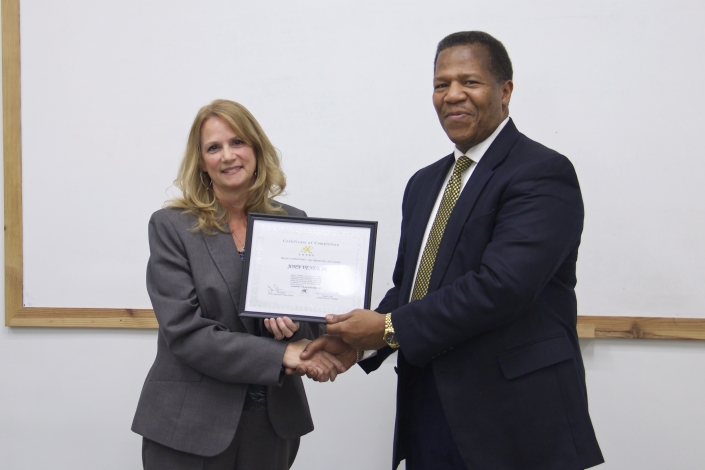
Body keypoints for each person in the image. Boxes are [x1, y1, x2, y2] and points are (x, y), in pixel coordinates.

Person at [300, 32, 605, 469]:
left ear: (505, 91)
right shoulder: (424, 183)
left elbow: (500, 288)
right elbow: (410, 288)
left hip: (514, 420)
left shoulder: (541, 172)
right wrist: (358, 343)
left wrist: (387, 328)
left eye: (470, 82)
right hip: (427, 409)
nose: (453, 95)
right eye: (441, 84)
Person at [132, 99, 346, 470]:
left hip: (271, 424)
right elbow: (184, 332)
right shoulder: (171, 226)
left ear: (257, 149)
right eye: (214, 147)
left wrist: (294, 326)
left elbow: (314, 318)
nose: (228, 156)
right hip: (189, 427)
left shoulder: (295, 223)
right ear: (201, 161)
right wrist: (280, 354)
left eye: (238, 142)